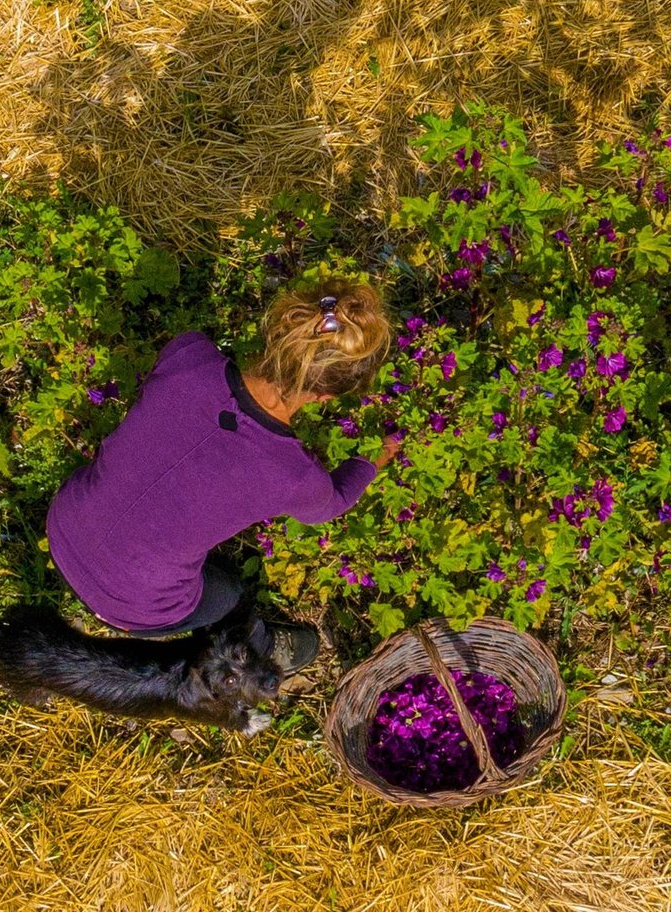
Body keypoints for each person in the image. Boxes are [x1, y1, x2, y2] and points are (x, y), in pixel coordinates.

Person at [46, 276, 403, 643]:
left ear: (280, 326)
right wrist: (376, 455)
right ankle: (252, 651)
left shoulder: (188, 353)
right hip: (131, 605)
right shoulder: (293, 475)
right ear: (326, 396)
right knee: (228, 594)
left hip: (63, 528)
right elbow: (335, 502)